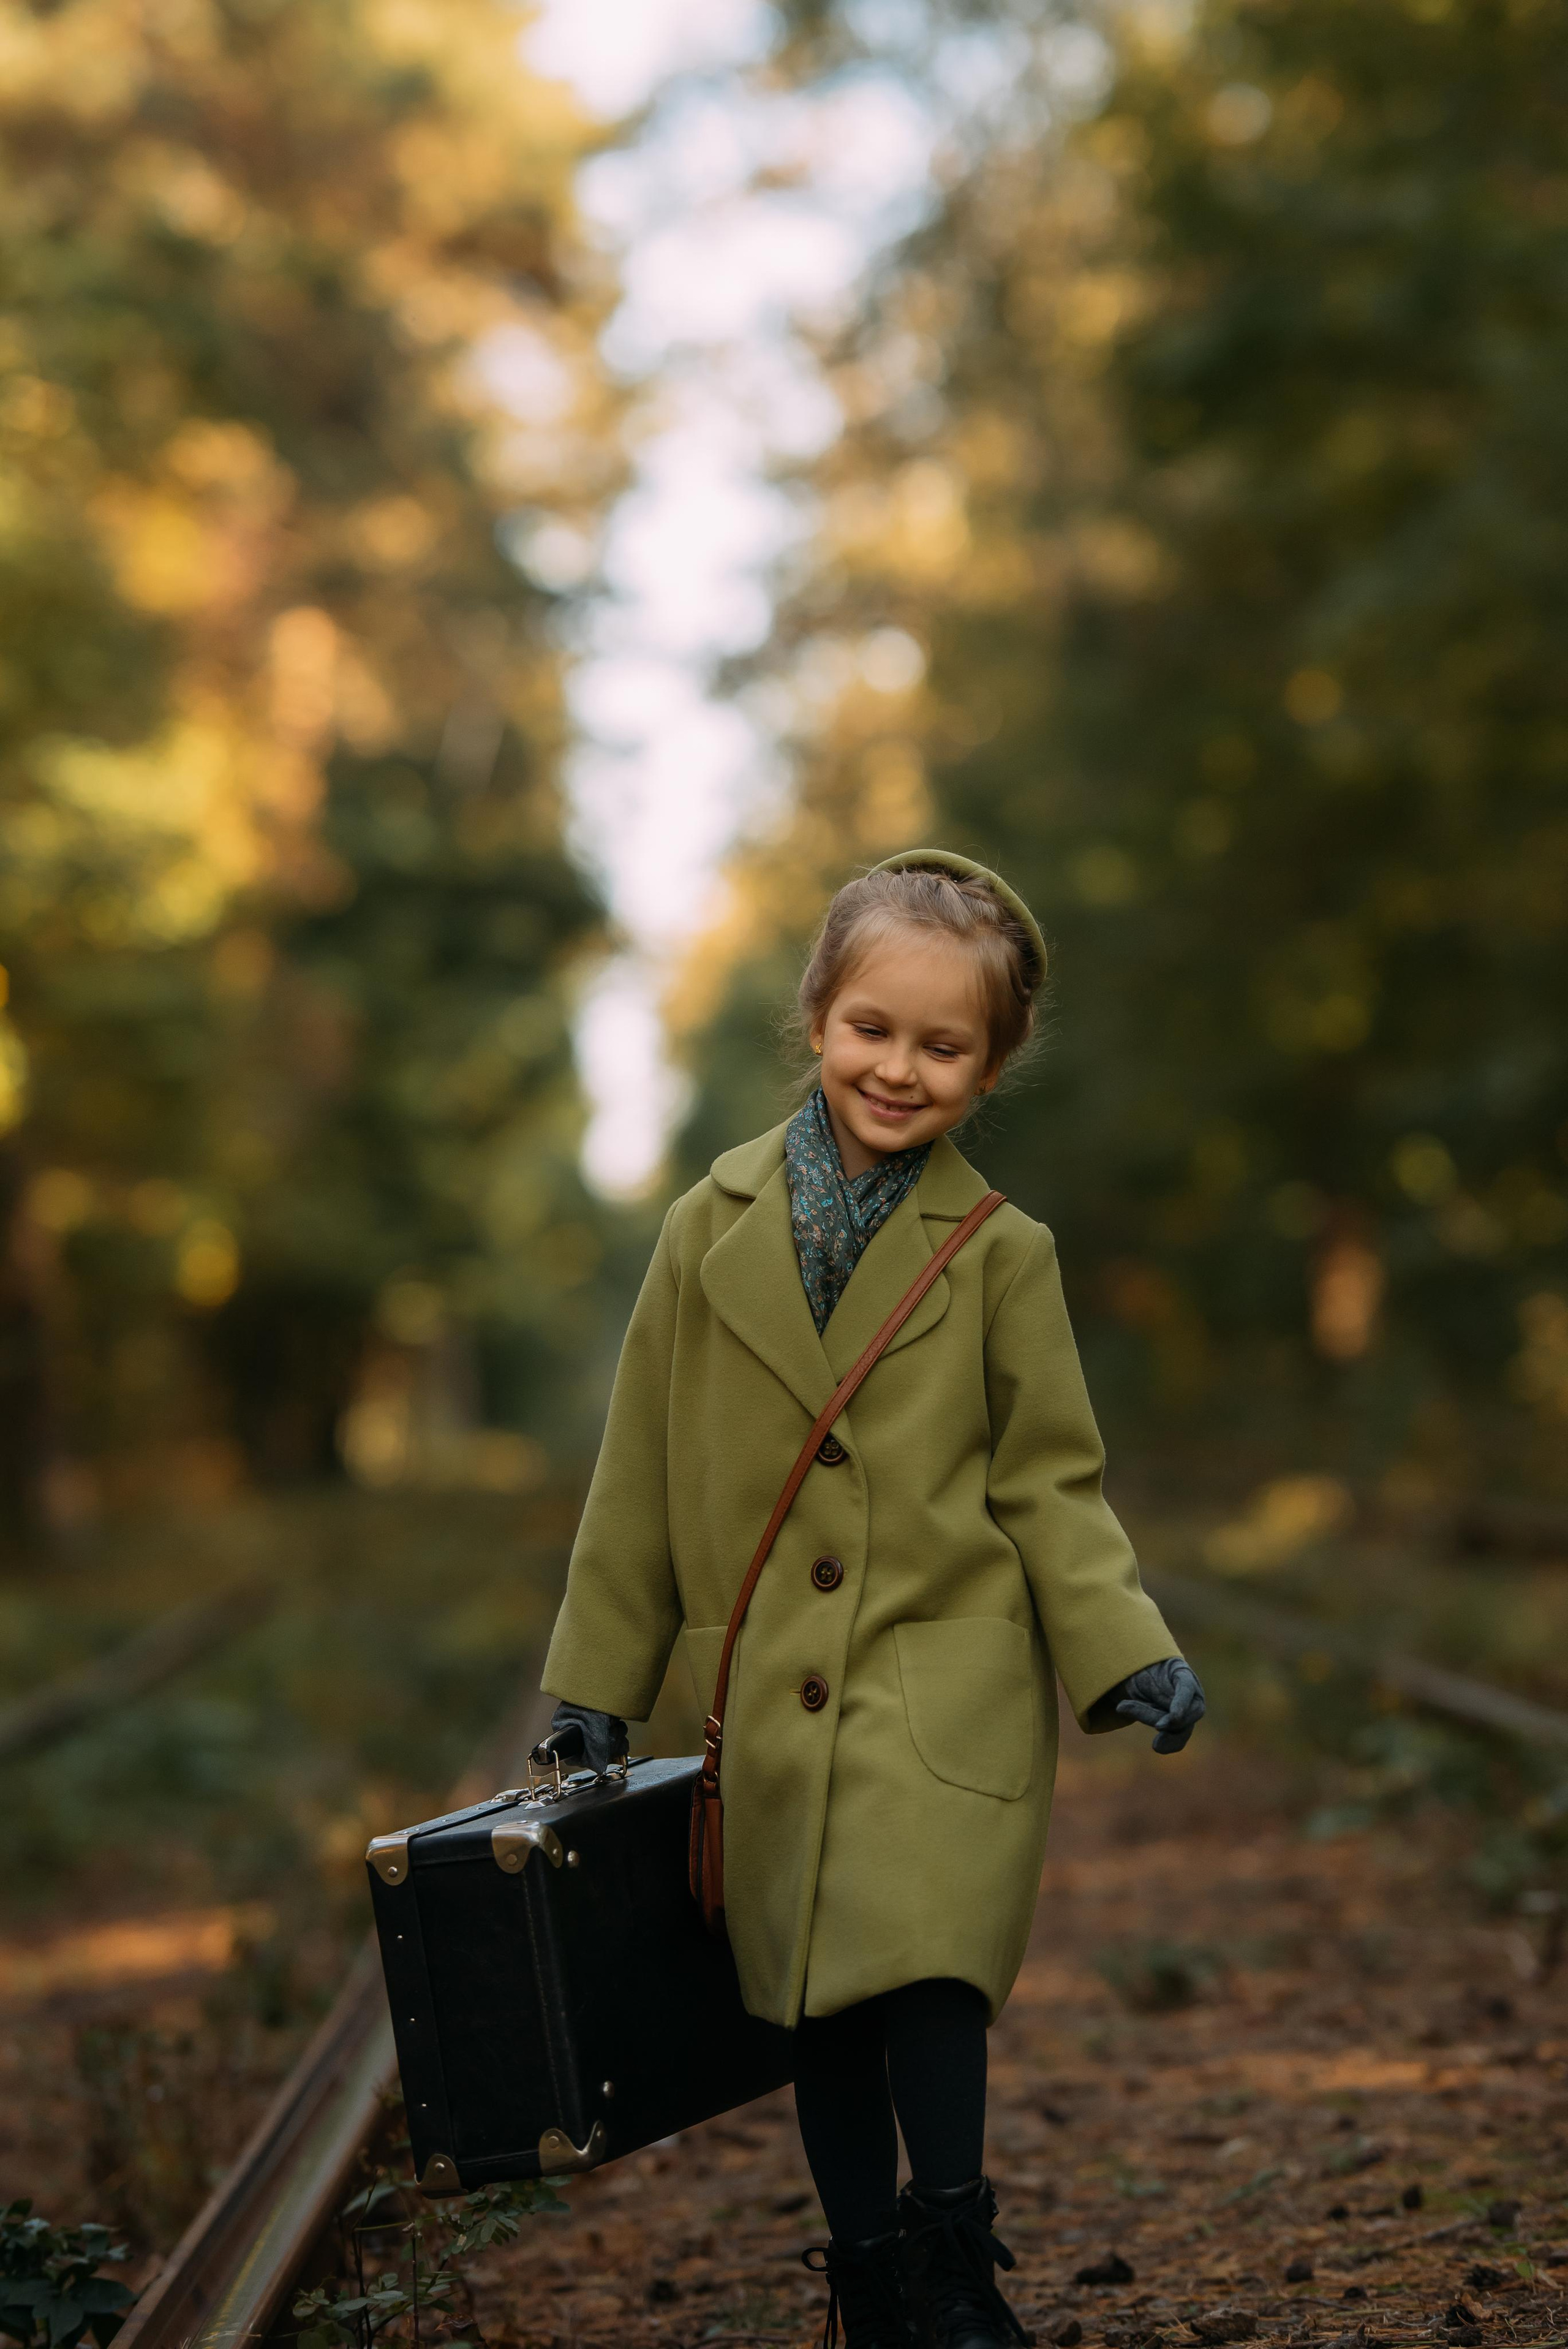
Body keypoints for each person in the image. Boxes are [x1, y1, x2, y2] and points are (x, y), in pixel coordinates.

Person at [541, 849, 1206, 2349]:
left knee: (931, 1976)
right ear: (818, 1017)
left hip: (939, 1678)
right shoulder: (701, 1232)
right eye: (871, 1030)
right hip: (768, 1684)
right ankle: (864, 2276)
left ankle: (957, 2266)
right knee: (817, 2005)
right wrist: (593, 1688)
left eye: (941, 1045)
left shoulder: (999, 1256)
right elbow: (637, 1471)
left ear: (991, 1066)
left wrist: (1124, 1653)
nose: (896, 1069)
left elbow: (1052, 1483)